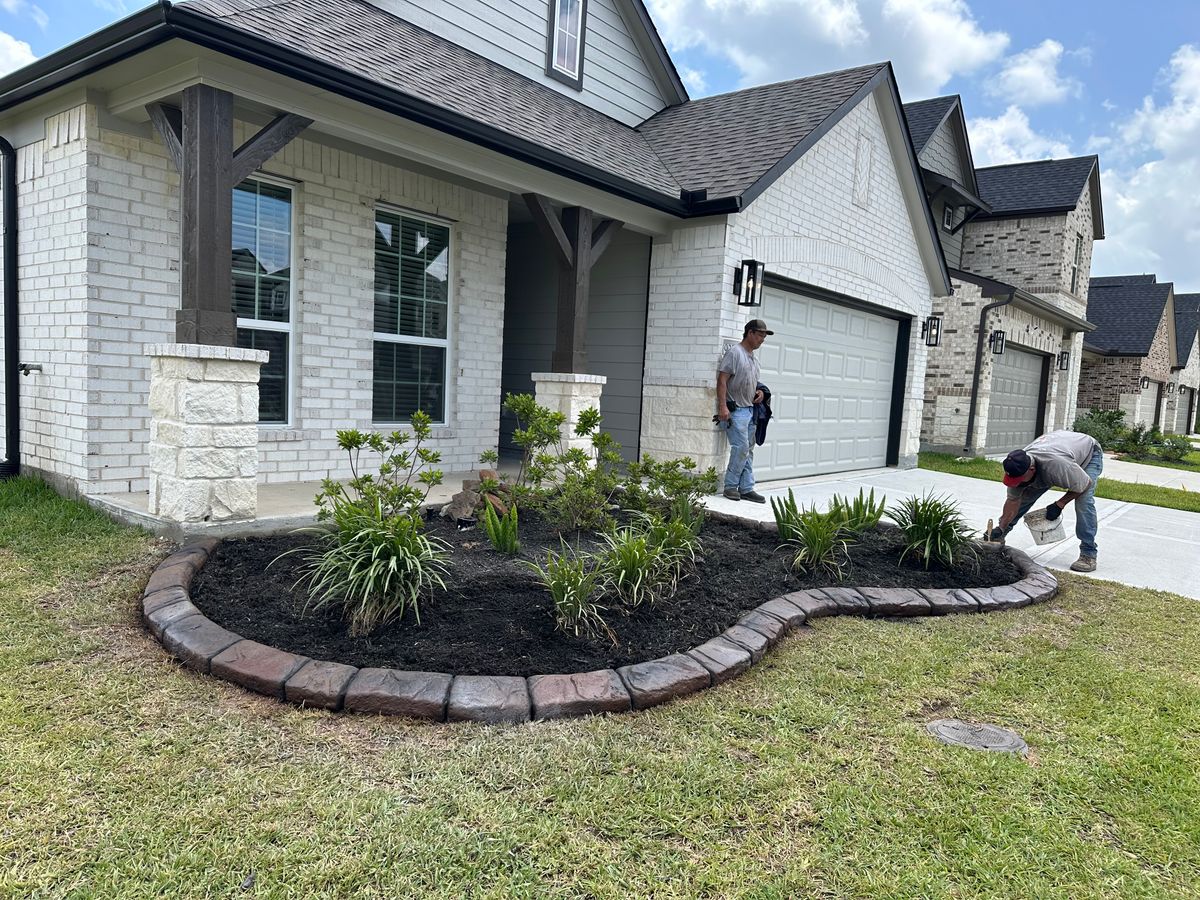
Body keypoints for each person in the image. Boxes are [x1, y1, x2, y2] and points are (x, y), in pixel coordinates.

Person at [992, 430, 1104, 572]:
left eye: (1019, 479)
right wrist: (1001, 527)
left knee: (1083, 501)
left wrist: (1060, 504)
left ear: (1031, 469)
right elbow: (1013, 501)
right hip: (1059, 447)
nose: (1017, 483)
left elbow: (1085, 484)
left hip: (1089, 453)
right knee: (1023, 498)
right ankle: (998, 537)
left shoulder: (1057, 466)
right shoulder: (1018, 464)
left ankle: (1088, 553)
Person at [716, 319, 772, 503]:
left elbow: (752, 382)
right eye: (760, 335)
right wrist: (723, 406)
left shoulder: (754, 359)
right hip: (736, 410)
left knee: (748, 450)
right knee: (741, 448)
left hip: (750, 410)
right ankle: (730, 486)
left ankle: (747, 488)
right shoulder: (735, 353)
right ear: (750, 333)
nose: (762, 339)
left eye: (764, 336)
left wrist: (760, 392)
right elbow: (722, 380)